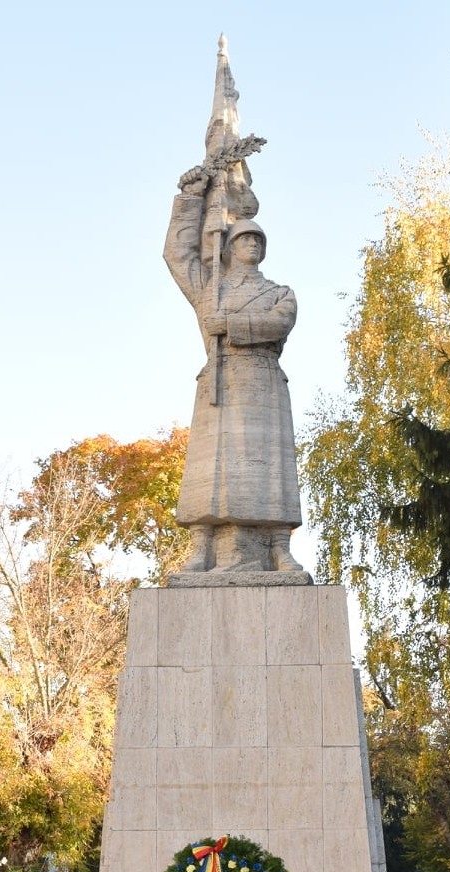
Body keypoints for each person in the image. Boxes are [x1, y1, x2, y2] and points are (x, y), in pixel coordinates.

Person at [163, 172, 304, 573]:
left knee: (271, 471)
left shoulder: (279, 291)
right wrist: (191, 196)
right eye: (244, 238)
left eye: (258, 239)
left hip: (263, 380)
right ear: (228, 245)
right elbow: (177, 255)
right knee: (212, 469)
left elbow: (280, 322)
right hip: (222, 378)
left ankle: (279, 549)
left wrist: (232, 326)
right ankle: (202, 550)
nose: (252, 244)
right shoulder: (211, 287)